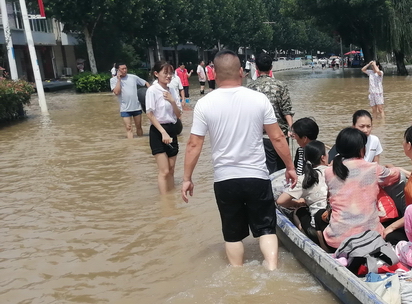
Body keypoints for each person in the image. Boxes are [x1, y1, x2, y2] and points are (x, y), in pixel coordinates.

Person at [181, 50, 297, 270]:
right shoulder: (258, 99)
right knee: (266, 230)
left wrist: (187, 178)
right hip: (257, 177)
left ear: (213, 73)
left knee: (232, 234)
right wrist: (290, 167)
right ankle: (271, 267)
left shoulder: (205, 103)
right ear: (242, 72)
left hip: (225, 180)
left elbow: (194, 144)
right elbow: (277, 137)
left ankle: (237, 272)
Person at [323, 127, 401, 250]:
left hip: (337, 239)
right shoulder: (373, 168)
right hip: (371, 237)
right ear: (361, 148)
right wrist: (393, 167)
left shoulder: (328, 171)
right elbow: (395, 175)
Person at [246, 53, 294, 173]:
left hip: (260, 138)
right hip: (281, 135)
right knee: (284, 172)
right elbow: (286, 110)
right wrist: (291, 128)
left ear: (256, 68)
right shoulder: (280, 86)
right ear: (271, 67)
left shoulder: (250, 87)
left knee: (267, 173)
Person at [276, 140, 328, 245]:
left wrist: (296, 204)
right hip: (334, 221)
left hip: (319, 228)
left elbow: (281, 201)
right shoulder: (333, 172)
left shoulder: (304, 178)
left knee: (298, 211)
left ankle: (305, 238)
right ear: (323, 157)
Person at [145, 61, 183, 194]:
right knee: (164, 171)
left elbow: (178, 114)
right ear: (156, 74)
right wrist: (162, 133)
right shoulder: (152, 91)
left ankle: (172, 198)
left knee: (172, 169)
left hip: (172, 129)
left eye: (170, 73)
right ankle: (165, 202)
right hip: (158, 131)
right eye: (165, 73)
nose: (168, 76)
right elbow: (149, 114)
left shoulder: (172, 90)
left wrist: (172, 101)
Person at [110, 62, 149, 139]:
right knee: (128, 128)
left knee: (139, 127)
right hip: (125, 108)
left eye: (126, 68)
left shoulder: (133, 77)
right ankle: (131, 144)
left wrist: (152, 91)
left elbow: (145, 83)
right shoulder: (113, 80)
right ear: (118, 70)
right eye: (122, 69)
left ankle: (140, 142)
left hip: (136, 107)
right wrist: (119, 80)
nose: (125, 70)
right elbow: (117, 92)